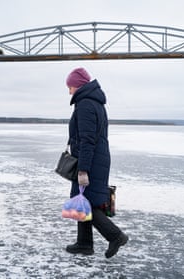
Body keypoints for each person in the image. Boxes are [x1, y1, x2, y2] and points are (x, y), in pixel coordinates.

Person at [64, 67, 128, 258]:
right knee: (81, 200)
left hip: (90, 161)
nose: (69, 91)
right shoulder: (94, 103)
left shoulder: (85, 105)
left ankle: (115, 236)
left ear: (79, 86)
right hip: (95, 158)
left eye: (71, 86)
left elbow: (87, 139)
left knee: (86, 203)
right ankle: (84, 243)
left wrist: (83, 169)